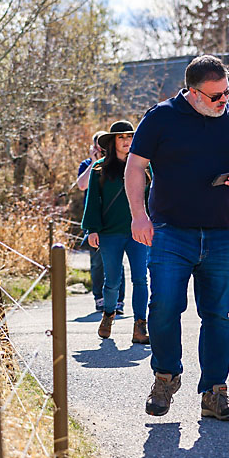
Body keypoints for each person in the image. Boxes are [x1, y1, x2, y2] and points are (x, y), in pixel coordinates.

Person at [125, 54, 229, 422]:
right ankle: (165, 377)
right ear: (192, 93)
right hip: (169, 232)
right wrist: (138, 216)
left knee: (218, 316)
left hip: (222, 233)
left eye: (226, 92)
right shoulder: (160, 117)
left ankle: (214, 393)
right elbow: (135, 166)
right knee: (164, 307)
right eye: (214, 96)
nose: (222, 101)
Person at [81, 120, 150, 344]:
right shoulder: (100, 167)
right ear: (113, 141)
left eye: (130, 137)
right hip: (110, 232)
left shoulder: (144, 166)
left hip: (138, 232)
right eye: (121, 137)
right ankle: (108, 315)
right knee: (112, 281)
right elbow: (93, 201)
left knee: (141, 279)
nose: (126, 141)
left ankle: (140, 326)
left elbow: (153, 198)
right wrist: (92, 230)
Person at [77, 133, 125, 318]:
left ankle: (118, 301)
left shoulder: (119, 163)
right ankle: (100, 298)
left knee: (116, 262)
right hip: (94, 220)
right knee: (97, 263)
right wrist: (93, 161)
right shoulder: (88, 165)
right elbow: (82, 185)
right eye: (97, 147)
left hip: (115, 221)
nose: (100, 150)